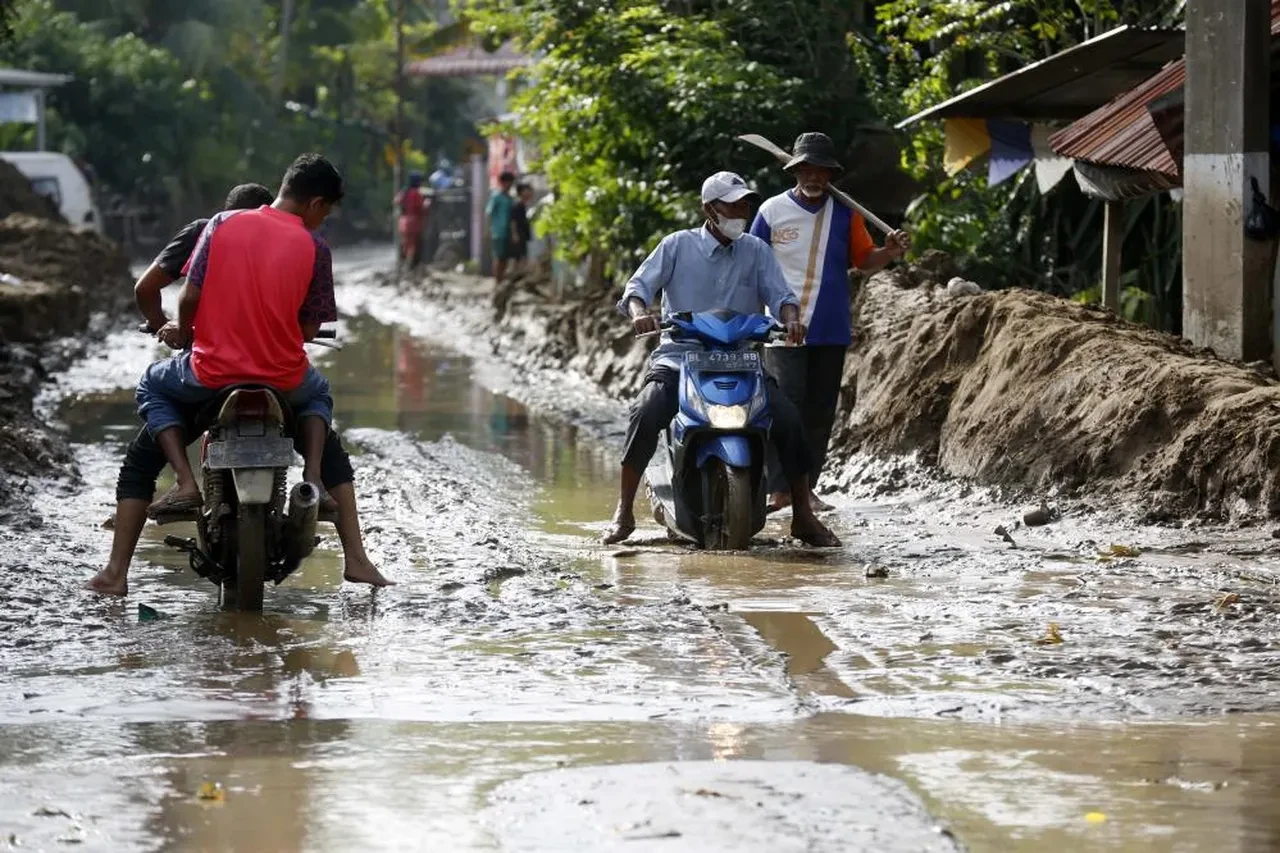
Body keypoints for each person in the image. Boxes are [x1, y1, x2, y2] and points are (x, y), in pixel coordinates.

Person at [86, 182, 389, 596]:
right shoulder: (298, 242)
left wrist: (171, 329)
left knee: (142, 455)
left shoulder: (209, 230)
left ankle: (118, 569)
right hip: (277, 375)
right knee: (327, 438)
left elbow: (156, 291)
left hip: (211, 372)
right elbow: (307, 325)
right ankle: (354, 552)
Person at [600, 171, 841, 548]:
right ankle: (624, 510)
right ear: (709, 209)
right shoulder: (676, 245)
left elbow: (782, 296)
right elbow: (637, 288)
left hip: (742, 360)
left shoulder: (756, 251)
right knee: (646, 412)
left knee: (789, 419)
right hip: (680, 358)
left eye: (745, 204)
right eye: (733, 205)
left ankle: (803, 517)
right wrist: (638, 313)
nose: (742, 211)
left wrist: (792, 320)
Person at [750, 132, 910, 512]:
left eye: (821, 171)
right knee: (785, 407)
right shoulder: (771, 212)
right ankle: (779, 489)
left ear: (830, 175)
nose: (814, 177)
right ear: (796, 170)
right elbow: (751, 263)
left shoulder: (845, 214)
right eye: (807, 169)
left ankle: (806, 489)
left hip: (830, 326)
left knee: (819, 412)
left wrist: (887, 252)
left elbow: (864, 261)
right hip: (781, 328)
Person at [485, 171, 516, 285]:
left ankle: (502, 280)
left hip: (508, 232)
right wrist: (488, 230)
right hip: (498, 232)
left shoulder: (510, 198)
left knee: (505, 258)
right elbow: (489, 213)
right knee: (499, 257)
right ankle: (497, 280)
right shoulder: (496, 197)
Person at [394, 171, 429, 269]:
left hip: (403, 221)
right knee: (413, 245)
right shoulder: (416, 193)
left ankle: (402, 264)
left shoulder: (404, 192)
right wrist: (427, 204)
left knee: (404, 243)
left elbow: (396, 201)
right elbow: (422, 207)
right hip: (414, 222)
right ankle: (409, 266)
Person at [508, 182, 533, 271]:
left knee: (522, 257)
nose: (530, 193)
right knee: (517, 259)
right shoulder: (517, 205)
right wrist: (514, 234)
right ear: (522, 192)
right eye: (528, 190)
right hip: (519, 235)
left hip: (523, 235)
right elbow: (513, 221)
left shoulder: (524, 205)